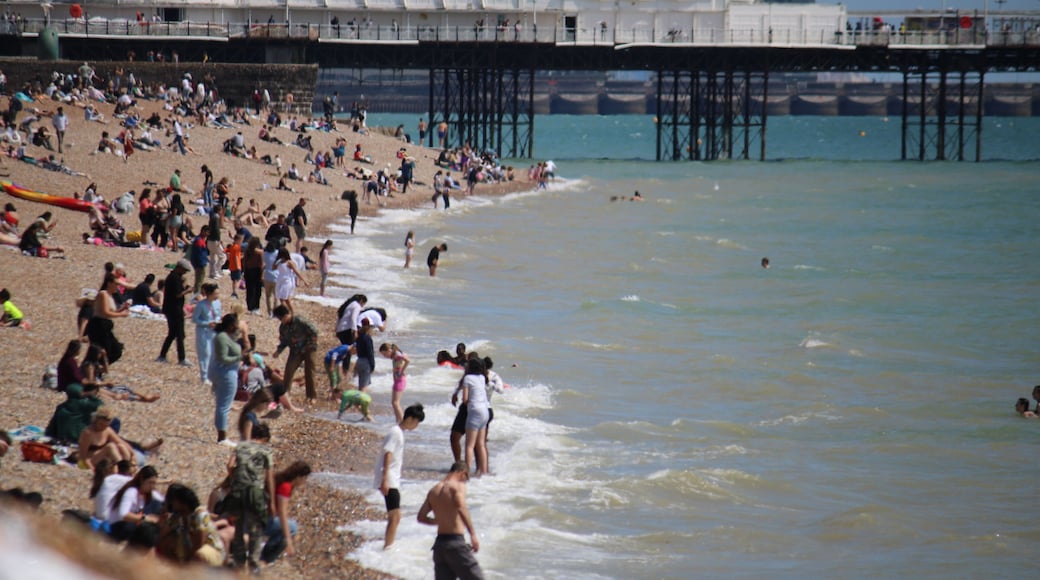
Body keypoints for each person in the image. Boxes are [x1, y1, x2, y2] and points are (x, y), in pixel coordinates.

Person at [417, 461, 484, 580]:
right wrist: (472, 534)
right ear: (462, 473)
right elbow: (460, 507)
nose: (465, 482)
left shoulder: (434, 490)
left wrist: (438, 521)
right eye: (466, 478)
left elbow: (421, 517)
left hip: (439, 547)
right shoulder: (457, 486)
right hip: (455, 544)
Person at [375, 403, 426, 550]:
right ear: (410, 418)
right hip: (389, 479)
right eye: (417, 422)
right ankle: (388, 547)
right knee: (395, 516)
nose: (416, 426)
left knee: (396, 516)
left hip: (392, 478)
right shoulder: (395, 432)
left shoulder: (399, 432)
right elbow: (388, 454)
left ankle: (388, 545)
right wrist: (384, 479)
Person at [226, 422, 275, 573]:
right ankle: (253, 563)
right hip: (255, 491)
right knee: (256, 528)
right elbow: (269, 478)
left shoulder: (240, 446)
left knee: (238, 526)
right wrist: (272, 501)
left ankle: (238, 561)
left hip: (238, 490)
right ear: (265, 438)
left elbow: (229, 465)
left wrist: (236, 478)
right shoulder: (266, 450)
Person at [157, 483, 226, 566]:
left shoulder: (200, 515)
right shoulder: (178, 517)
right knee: (166, 542)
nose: (172, 504)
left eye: (173, 501)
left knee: (200, 554)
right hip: (189, 550)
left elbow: (200, 543)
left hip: (211, 549)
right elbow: (162, 534)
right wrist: (163, 514)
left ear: (181, 502)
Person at [261, 461, 312, 563]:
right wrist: (288, 539)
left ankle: (264, 548)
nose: (304, 482)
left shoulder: (280, 481)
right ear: (299, 477)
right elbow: (282, 512)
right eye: (305, 478)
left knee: (289, 526)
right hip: (262, 521)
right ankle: (267, 554)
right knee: (292, 527)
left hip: (260, 516)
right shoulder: (285, 487)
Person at [272, 304, 320, 401]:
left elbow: (315, 331)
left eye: (281, 318)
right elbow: (284, 341)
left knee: (309, 372)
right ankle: (285, 395)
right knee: (289, 372)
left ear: (286, 315)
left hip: (309, 349)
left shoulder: (300, 321)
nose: (281, 321)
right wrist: (278, 351)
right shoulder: (283, 327)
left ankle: (311, 396)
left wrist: (309, 344)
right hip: (295, 351)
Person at [108, 465, 165, 541]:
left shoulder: (146, 493)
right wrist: (145, 518)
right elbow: (123, 514)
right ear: (142, 479)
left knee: (157, 505)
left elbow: (162, 501)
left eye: (154, 483)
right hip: (118, 526)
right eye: (150, 483)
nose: (152, 486)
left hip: (129, 523)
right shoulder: (131, 491)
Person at [212, 314, 243, 446]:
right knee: (223, 406)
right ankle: (222, 437)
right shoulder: (222, 338)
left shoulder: (225, 337)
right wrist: (241, 357)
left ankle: (222, 435)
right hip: (226, 373)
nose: (238, 326)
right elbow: (223, 358)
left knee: (223, 405)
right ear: (230, 325)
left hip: (225, 372)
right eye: (236, 324)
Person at [455, 358, 490, 476]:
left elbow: (465, 399)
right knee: (480, 444)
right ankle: (484, 472)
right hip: (485, 411)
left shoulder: (467, 378)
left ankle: (466, 473)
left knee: (469, 445)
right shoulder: (482, 378)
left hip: (475, 411)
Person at [86, 274, 129, 364]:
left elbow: (111, 311)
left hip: (106, 326)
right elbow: (105, 312)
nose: (117, 287)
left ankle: (99, 369)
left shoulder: (109, 295)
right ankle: (94, 370)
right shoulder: (103, 294)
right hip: (98, 325)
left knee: (116, 350)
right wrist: (121, 314)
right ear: (109, 283)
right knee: (103, 351)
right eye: (116, 284)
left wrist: (122, 309)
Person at [157, 259, 193, 366]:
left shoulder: (173, 277)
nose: (185, 272)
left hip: (171, 309)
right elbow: (177, 294)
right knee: (179, 334)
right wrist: (188, 291)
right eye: (184, 270)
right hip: (174, 310)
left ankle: (162, 355)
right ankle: (182, 359)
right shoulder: (174, 278)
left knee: (172, 334)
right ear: (179, 268)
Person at [192, 283, 222, 385]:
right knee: (205, 353)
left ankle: (211, 376)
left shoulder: (218, 303)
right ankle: (204, 377)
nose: (217, 295)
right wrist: (207, 323)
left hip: (214, 331)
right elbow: (195, 319)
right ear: (209, 294)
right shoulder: (201, 305)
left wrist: (217, 321)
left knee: (214, 354)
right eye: (215, 294)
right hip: (203, 331)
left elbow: (218, 315)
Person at [380, 343, 410, 423]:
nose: (384, 356)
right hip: (397, 380)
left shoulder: (397, 355)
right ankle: (398, 421)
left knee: (396, 403)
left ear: (389, 350)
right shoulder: (395, 355)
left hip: (400, 380)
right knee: (394, 403)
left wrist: (402, 371)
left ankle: (402, 422)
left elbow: (407, 360)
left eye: (384, 354)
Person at [273, 247, 308, 314]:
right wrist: (276, 260)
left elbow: (296, 271)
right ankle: (291, 312)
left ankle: (285, 312)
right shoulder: (279, 262)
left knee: (283, 298)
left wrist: (304, 280)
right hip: (280, 280)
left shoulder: (289, 262)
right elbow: (273, 268)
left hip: (287, 282)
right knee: (286, 299)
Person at [351, 319, 376, 393]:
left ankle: (358, 401)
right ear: (369, 328)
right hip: (366, 362)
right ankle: (360, 403)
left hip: (359, 360)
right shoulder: (368, 338)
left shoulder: (359, 337)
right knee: (364, 386)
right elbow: (370, 353)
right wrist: (372, 365)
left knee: (360, 384)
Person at [243, 237, 264, 314]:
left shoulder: (247, 251)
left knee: (249, 290)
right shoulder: (259, 252)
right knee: (257, 290)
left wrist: (244, 272)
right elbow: (261, 264)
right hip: (257, 271)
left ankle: (250, 307)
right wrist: (262, 275)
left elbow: (244, 263)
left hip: (248, 271)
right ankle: (256, 307)